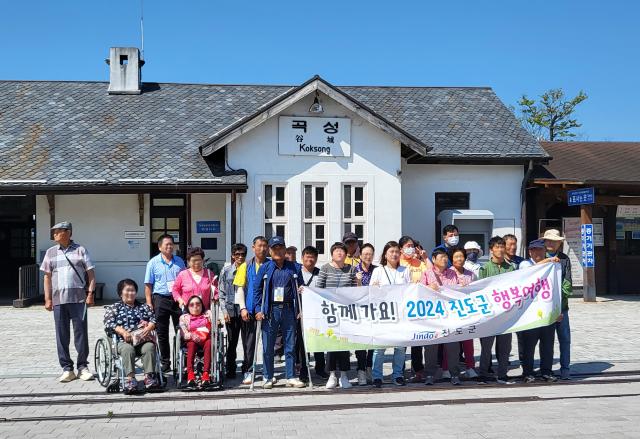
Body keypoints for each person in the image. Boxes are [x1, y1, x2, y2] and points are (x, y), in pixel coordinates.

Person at [41, 221, 96, 383]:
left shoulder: (80, 250)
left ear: (67, 232)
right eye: (54, 232)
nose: (54, 234)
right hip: (58, 300)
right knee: (61, 335)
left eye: (57, 231)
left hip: (79, 299)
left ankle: (82, 367)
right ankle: (67, 369)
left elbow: (91, 274)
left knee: (81, 334)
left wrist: (90, 293)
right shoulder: (51, 252)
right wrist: (47, 298)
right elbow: (47, 277)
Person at [253, 236, 306, 389]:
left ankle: (291, 376)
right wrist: (258, 310)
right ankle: (268, 376)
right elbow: (257, 290)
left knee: (290, 344)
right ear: (270, 251)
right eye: (274, 248)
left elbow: (301, 288)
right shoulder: (265, 267)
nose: (277, 251)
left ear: (284, 250)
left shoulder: (294, 267)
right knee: (268, 346)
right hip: (270, 310)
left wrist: (301, 306)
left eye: (280, 248)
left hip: (289, 309)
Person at [103, 278, 159, 393]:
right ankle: (130, 379)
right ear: (120, 293)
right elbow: (108, 323)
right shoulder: (114, 307)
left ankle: (149, 378)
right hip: (121, 341)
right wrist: (123, 332)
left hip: (141, 341)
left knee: (149, 347)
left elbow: (154, 319)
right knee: (128, 349)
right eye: (127, 290)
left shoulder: (143, 307)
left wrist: (149, 327)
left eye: (133, 290)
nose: (130, 293)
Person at [317, 242, 359, 389]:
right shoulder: (325, 269)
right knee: (331, 344)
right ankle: (332, 375)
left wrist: (359, 281)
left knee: (344, 344)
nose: (340, 253)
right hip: (330, 313)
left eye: (342, 251)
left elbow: (356, 291)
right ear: (332, 254)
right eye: (337, 251)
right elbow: (318, 290)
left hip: (346, 313)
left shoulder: (352, 269)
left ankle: (344, 376)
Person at [370, 241, 410, 388]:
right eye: (391, 251)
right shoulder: (378, 271)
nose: (394, 254)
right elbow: (371, 292)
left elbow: (410, 290)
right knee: (380, 348)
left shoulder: (405, 270)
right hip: (383, 314)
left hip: (400, 314)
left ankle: (398, 375)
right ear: (385, 255)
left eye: (396, 252)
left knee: (400, 347)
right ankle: (377, 376)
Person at [519, 239, 560, 383]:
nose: (537, 252)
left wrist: (558, 311)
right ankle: (527, 372)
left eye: (540, 250)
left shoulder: (552, 266)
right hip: (530, 314)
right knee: (529, 346)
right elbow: (531, 271)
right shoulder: (525, 263)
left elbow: (556, 290)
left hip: (547, 311)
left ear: (544, 251)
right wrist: (549, 260)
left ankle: (546, 371)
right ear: (530, 251)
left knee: (547, 345)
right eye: (534, 250)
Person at [420, 248, 463, 386]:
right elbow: (419, 293)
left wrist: (462, 286)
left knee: (453, 347)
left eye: (446, 257)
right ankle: (430, 375)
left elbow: (458, 291)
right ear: (433, 259)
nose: (444, 259)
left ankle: (454, 374)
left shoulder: (452, 273)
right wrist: (428, 288)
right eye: (441, 257)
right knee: (431, 348)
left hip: (449, 317)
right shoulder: (427, 273)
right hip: (432, 317)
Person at [144, 234, 186, 373]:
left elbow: (185, 281)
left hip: (177, 300)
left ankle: (182, 361)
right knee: (162, 332)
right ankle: (165, 362)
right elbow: (148, 284)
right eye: (166, 244)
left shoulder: (179, 261)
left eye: (171, 244)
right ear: (160, 247)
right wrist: (149, 302)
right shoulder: (153, 263)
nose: (170, 247)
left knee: (181, 330)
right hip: (160, 299)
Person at [477, 236, 516, 384]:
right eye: (497, 247)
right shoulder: (485, 268)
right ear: (491, 250)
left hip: (506, 314)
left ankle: (502, 374)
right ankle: (483, 373)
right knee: (486, 346)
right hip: (490, 314)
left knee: (505, 346)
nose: (500, 250)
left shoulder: (511, 268)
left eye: (502, 247)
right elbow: (479, 290)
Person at [233, 236, 269, 385]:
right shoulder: (245, 266)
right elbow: (240, 288)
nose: (262, 248)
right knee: (249, 343)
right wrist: (242, 308)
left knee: (268, 343)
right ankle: (248, 371)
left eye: (265, 246)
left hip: (267, 310)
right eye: (259, 246)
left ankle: (268, 372)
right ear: (253, 247)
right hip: (249, 310)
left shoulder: (271, 265)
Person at [397, 236, 431, 384]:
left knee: (417, 341)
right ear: (401, 249)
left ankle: (418, 370)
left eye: (412, 246)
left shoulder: (419, 263)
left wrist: (425, 258)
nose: (410, 248)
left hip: (418, 307)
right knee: (402, 342)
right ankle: (400, 370)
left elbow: (431, 274)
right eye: (407, 246)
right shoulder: (398, 263)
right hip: (402, 307)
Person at [542, 229, 573, 380]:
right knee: (547, 340)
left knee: (564, 339)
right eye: (548, 240)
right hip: (544, 307)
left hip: (562, 307)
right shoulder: (540, 257)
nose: (550, 243)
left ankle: (565, 368)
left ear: (559, 243)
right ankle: (546, 370)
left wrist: (559, 304)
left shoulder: (565, 259)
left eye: (554, 240)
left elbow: (567, 283)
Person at [445, 247, 478, 379]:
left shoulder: (471, 274)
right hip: (451, 313)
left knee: (468, 342)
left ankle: (470, 367)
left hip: (467, 313)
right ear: (451, 259)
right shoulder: (447, 273)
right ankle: (446, 369)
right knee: (450, 343)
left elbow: (477, 291)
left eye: (461, 256)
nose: (459, 259)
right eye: (456, 256)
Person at [297, 246, 326, 382]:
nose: (310, 259)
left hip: (317, 313)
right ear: (302, 258)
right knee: (303, 344)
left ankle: (320, 369)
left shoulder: (320, 274)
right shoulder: (296, 273)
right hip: (301, 313)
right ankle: (304, 370)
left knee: (319, 341)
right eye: (307, 256)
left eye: (313, 257)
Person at [218, 243, 247, 379]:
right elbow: (221, 292)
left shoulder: (249, 269)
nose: (240, 257)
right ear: (233, 256)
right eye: (237, 255)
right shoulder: (226, 271)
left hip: (245, 309)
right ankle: (230, 368)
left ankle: (247, 367)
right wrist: (224, 311)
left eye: (242, 255)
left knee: (247, 341)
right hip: (230, 309)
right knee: (232, 341)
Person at [179, 295, 213, 386]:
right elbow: (183, 334)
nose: (195, 306)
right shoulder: (184, 318)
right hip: (192, 340)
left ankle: (206, 373)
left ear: (202, 305)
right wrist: (192, 335)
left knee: (210, 343)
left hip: (206, 339)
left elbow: (215, 328)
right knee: (191, 344)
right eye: (192, 305)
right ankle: (190, 374)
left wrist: (216, 322)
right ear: (188, 307)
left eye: (198, 304)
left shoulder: (207, 315)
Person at [354, 243, 376, 385]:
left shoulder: (378, 270)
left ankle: (369, 368)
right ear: (360, 255)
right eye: (365, 254)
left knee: (373, 341)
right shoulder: (354, 270)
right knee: (361, 342)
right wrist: (359, 281)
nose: (368, 256)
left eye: (370, 254)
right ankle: (361, 370)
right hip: (359, 312)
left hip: (375, 311)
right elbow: (353, 292)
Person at [172, 247, 217, 311]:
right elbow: (175, 290)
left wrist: (215, 299)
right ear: (188, 262)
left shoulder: (209, 274)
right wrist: (180, 300)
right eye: (193, 261)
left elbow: (216, 291)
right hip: (188, 313)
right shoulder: (182, 275)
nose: (196, 263)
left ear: (203, 260)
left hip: (205, 313)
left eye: (199, 260)